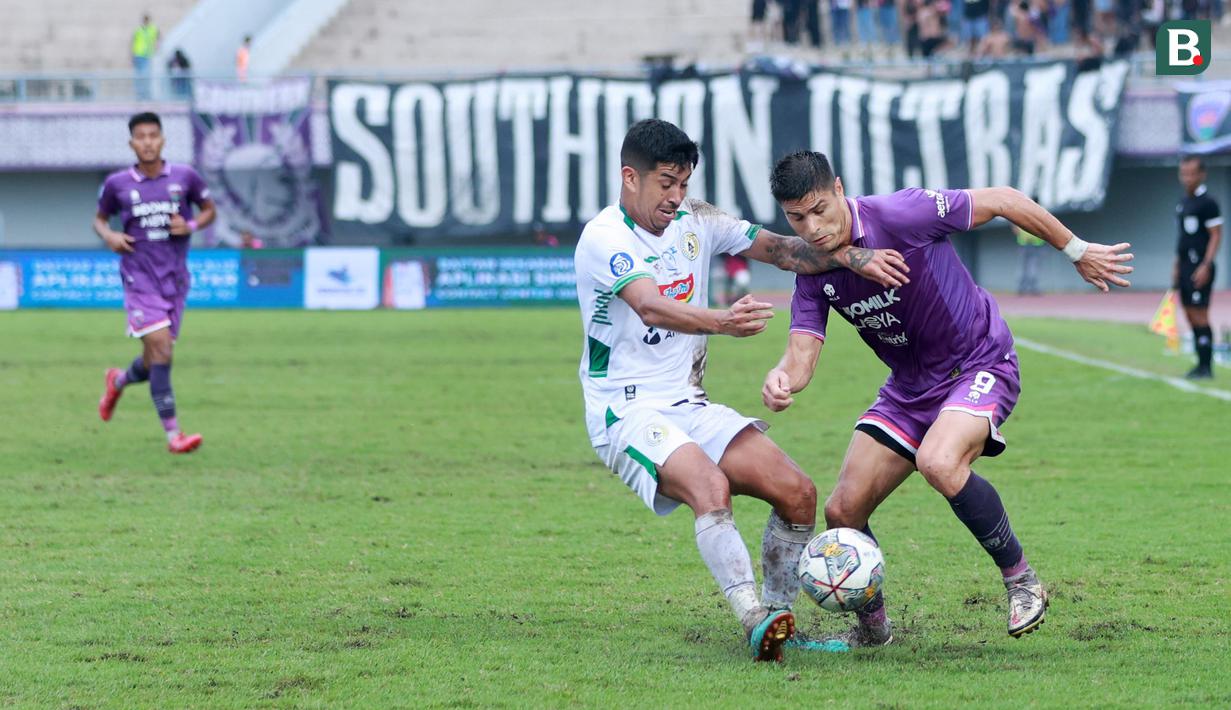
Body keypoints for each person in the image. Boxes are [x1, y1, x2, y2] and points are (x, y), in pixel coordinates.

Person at [759, 151, 1132, 647]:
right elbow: (801, 357)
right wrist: (782, 379)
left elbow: (1001, 200)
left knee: (939, 461)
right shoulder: (813, 271)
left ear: (840, 189)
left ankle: (1022, 582)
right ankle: (874, 631)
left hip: (978, 364)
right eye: (796, 218)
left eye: (820, 209)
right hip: (908, 391)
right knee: (843, 511)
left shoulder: (900, 214)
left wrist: (1076, 249)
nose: (813, 228)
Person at [574, 119, 910, 662]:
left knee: (798, 493)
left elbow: (782, 250)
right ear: (629, 177)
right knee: (710, 487)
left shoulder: (696, 219)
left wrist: (853, 257)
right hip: (625, 409)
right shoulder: (605, 237)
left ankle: (779, 621)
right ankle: (752, 613)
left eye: (683, 182)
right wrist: (722, 322)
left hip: (688, 403)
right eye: (666, 183)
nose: (676, 196)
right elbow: (650, 305)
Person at [95, 112, 216, 454]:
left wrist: (191, 226)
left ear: (162, 140)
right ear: (132, 143)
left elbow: (209, 209)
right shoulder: (118, 183)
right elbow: (100, 220)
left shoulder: (185, 177)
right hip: (139, 278)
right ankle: (174, 436)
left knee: (155, 359)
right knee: (161, 349)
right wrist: (110, 236)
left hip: (174, 280)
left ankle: (117, 381)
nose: (147, 142)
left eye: (153, 135)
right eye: (140, 137)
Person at [1173, 156, 1222, 379]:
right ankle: (1199, 363)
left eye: (1192, 173)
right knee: (1190, 314)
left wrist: (1206, 264)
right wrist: (1176, 264)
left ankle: (1206, 366)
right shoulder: (1183, 203)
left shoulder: (1208, 203)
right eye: (1183, 174)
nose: (1187, 178)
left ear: (1202, 174)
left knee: (1201, 314)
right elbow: (1182, 237)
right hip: (1184, 265)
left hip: (1199, 266)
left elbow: (1216, 235)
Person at [131, 14, 158, 100]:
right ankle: (139, 95)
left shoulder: (152, 29)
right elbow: (133, 41)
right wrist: (132, 55)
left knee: (146, 75)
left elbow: (159, 37)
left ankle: (146, 95)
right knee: (139, 76)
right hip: (138, 55)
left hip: (147, 55)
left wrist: (157, 47)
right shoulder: (138, 30)